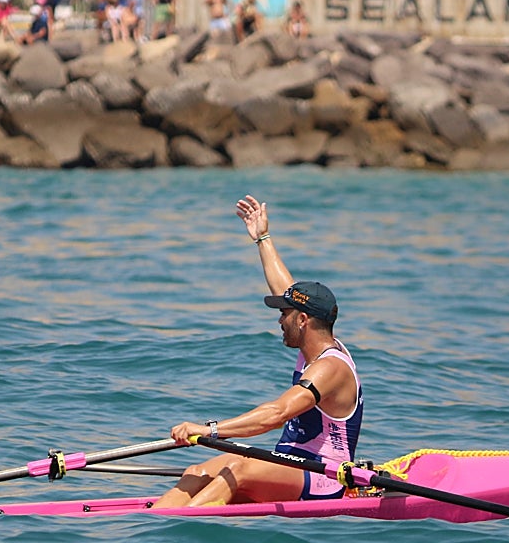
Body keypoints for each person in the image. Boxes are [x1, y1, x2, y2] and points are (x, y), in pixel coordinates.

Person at [151, 195, 364, 508]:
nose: (279, 320)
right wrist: (262, 238)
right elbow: (286, 289)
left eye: (284, 314)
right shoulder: (313, 343)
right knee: (196, 472)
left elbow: (275, 415)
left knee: (236, 469)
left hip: (323, 477)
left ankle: (179, 530)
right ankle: (154, 521)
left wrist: (208, 430)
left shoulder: (329, 369)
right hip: (289, 462)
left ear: (303, 321)